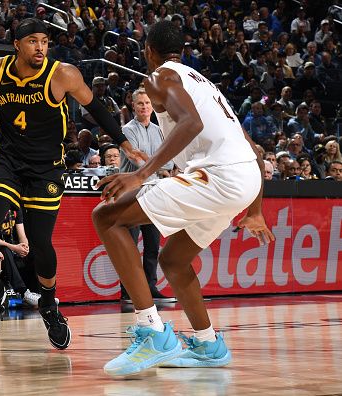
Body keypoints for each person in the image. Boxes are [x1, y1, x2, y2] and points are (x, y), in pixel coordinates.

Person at [92, 21, 274, 375]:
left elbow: (190, 123)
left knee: (107, 218)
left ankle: (152, 333)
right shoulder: (204, 84)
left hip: (219, 175)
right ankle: (208, 344)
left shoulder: (159, 77)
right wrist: (255, 209)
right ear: (184, 51)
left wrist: (140, 174)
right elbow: (253, 149)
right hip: (243, 177)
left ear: (148, 51)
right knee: (174, 259)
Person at [0, 18, 144, 349]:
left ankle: (49, 304)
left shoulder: (62, 74)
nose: (40, 47)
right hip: (6, 159)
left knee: (41, 243)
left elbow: (94, 106)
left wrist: (124, 143)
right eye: (33, 41)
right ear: (17, 45)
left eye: (44, 41)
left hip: (45, 167)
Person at [120, 88, 174, 301]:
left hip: (154, 193)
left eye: (147, 103)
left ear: (153, 106)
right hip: (131, 194)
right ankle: (129, 292)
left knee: (152, 245)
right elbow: (136, 159)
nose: (144, 106)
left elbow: (169, 162)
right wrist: (156, 163)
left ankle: (150, 288)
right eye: (140, 103)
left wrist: (149, 159)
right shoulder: (126, 130)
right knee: (131, 247)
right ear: (133, 105)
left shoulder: (159, 130)